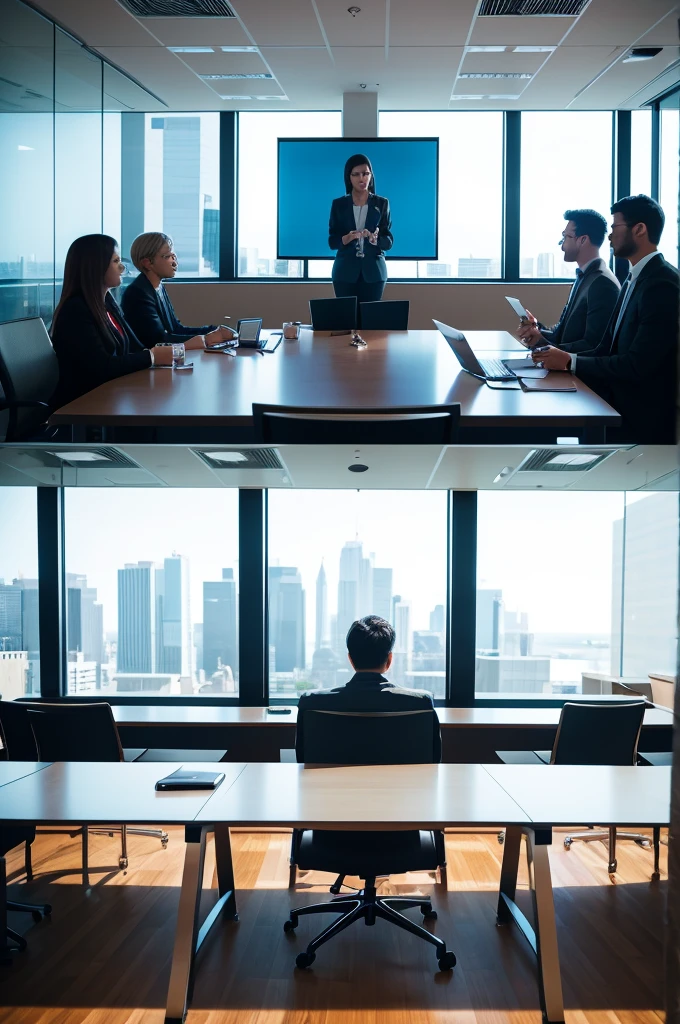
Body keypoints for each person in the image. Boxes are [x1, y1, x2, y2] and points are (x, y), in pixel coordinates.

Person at [532, 195, 679, 444]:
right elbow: (604, 348)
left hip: (636, 418)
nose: (609, 236)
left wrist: (570, 362)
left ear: (639, 229)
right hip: (612, 403)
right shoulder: (633, 279)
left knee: (538, 427)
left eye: (614, 227)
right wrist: (563, 358)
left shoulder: (662, 284)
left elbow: (636, 365)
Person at [49, 234, 173, 410]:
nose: (122, 268)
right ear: (96, 267)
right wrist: (152, 356)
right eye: (115, 262)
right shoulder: (75, 311)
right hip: (82, 406)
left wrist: (162, 354)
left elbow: (135, 347)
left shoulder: (107, 303)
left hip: (111, 395)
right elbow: (101, 367)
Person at [296, 615, 440, 761]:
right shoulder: (421, 703)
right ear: (389, 660)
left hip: (334, 784)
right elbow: (434, 762)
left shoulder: (311, 703)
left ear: (350, 659)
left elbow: (302, 759)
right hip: (401, 784)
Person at [517, 208, 620, 353]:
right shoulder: (586, 276)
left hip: (579, 375)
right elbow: (563, 333)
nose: (562, 244)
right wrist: (538, 331)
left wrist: (544, 347)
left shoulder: (602, 283)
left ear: (582, 240)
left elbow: (594, 346)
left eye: (566, 237)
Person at [121, 232, 232, 349]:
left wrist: (213, 330)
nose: (174, 262)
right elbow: (158, 341)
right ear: (147, 263)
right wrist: (206, 339)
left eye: (174, 256)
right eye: (168, 256)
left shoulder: (158, 288)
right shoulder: (138, 294)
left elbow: (176, 329)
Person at [328, 155, 393, 316]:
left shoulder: (381, 203)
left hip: (374, 273)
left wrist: (376, 240)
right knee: (346, 321)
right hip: (344, 273)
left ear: (371, 176)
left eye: (365, 173)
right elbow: (332, 241)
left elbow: (389, 241)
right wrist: (346, 238)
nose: (362, 178)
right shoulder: (339, 204)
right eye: (356, 174)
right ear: (348, 177)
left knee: (370, 322)